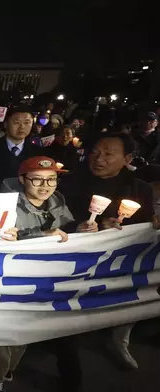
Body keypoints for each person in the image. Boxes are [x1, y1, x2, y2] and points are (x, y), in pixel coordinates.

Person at [0, 156, 98, 392]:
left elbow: (66, 227)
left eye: (52, 180)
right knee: (10, 336)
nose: (46, 186)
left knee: (66, 332)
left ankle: (73, 382)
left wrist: (80, 228)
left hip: (55, 279)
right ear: (22, 179)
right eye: (38, 180)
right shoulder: (4, 204)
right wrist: (42, 235)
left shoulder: (57, 199)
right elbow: (0, 241)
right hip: (18, 280)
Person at [59, 132, 155, 372]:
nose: (98, 158)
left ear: (127, 158)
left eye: (108, 154)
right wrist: (88, 226)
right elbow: (60, 219)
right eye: (95, 152)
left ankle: (119, 339)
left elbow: (144, 227)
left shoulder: (140, 189)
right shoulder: (71, 181)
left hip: (119, 259)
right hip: (77, 258)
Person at [0, 107, 45, 190]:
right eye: (17, 122)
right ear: (5, 124)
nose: (22, 127)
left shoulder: (39, 153)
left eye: (27, 123)